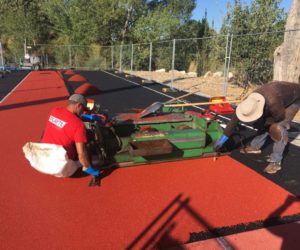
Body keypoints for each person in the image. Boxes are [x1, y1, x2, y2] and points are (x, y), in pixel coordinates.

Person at [214, 81, 300, 174]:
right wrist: (221, 140)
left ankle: (276, 161)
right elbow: (233, 122)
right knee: (263, 123)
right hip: (276, 96)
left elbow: (279, 118)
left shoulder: (273, 102)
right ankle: (255, 146)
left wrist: (267, 124)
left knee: (278, 129)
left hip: (294, 99)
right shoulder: (247, 103)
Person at [40, 94, 100, 177]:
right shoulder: (79, 125)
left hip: (42, 159)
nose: (82, 112)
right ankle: (83, 165)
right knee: (86, 145)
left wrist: (82, 116)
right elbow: (81, 154)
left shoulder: (55, 110)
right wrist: (88, 168)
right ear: (79, 105)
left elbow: (66, 120)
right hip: (61, 168)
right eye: (83, 110)